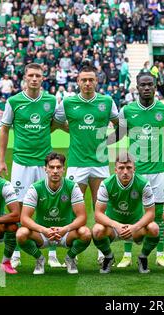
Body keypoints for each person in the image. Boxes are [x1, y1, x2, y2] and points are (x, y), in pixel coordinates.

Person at [0, 63, 66, 268]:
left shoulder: (51, 100)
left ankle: (52, 252)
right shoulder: (14, 101)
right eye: (31, 75)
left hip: (45, 164)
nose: (34, 79)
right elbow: (4, 129)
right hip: (21, 162)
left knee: (50, 207)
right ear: (25, 78)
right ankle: (16, 253)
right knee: (17, 208)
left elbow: (56, 124)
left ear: (43, 78)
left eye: (38, 75)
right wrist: (1, 160)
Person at [107, 70, 164, 268]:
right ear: (136, 88)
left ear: (155, 86)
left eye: (149, 85)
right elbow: (119, 133)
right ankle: (127, 254)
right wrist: (99, 140)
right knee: (132, 213)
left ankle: (160, 254)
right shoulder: (127, 110)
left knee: (159, 215)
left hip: (158, 170)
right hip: (135, 172)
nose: (146, 88)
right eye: (142, 85)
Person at [59, 65, 119, 264]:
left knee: (100, 208)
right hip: (77, 163)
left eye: (91, 79)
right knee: (73, 209)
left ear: (97, 81)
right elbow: (56, 122)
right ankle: (72, 254)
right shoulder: (68, 103)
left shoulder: (107, 101)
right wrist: (73, 132)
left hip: (100, 163)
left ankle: (103, 252)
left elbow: (122, 125)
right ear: (77, 81)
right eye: (83, 80)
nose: (87, 83)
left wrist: (107, 142)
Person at [16, 152, 91, 275]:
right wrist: (44, 230)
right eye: (51, 167)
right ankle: (39, 259)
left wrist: (65, 229)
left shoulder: (73, 187)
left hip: (66, 233)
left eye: (58, 167)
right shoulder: (35, 188)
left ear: (63, 169)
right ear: (45, 169)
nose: (55, 171)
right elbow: (24, 218)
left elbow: (82, 217)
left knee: (86, 233)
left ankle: (70, 258)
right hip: (43, 234)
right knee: (21, 234)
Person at [92, 153, 160, 274]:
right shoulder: (106, 184)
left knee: (154, 228)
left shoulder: (143, 183)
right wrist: (116, 225)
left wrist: (135, 227)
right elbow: (98, 214)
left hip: (136, 228)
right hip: (113, 228)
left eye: (129, 168)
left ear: (134, 169)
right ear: (115, 170)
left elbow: (151, 213)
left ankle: (143, 257)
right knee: (97, 230)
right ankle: (108, 256)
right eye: (121, 168)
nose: (125, 172)